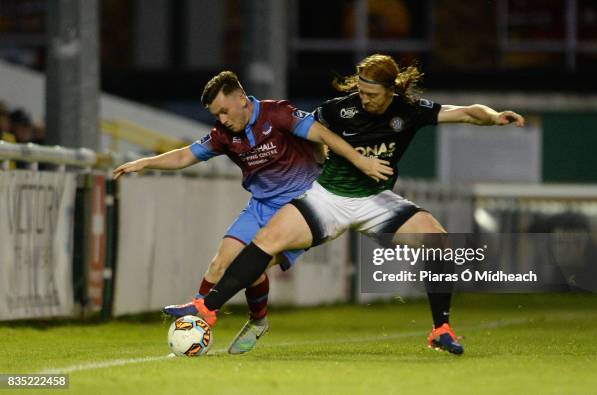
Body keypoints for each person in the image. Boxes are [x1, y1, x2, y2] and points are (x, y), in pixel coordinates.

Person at [186, 54, 525, 355]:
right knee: (264, 243)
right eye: (360, 91)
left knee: (437, 239)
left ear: (392, 90)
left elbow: (466, 112)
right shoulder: (340, 109)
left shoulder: (409, 112)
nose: (364, 99)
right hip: (328, 198)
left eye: (372, 94)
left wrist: (494, 117)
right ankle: (208, 308)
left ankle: (441, 330)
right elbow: (303, 132)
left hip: (375, 202)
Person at [112, 70, 392, 354]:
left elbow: (322, 133)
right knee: (219, 264)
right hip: (259, 207)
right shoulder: (223, 135)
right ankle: (199, 312)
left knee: (251, 264)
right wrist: (145, 162)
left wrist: (359, 161)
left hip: (300, 212)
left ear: (242, 100)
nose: (222, 119)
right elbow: (185, 155)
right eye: (216, 114)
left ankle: (254, 321)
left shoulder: (278, 114)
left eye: (224, 111)